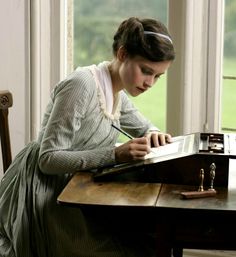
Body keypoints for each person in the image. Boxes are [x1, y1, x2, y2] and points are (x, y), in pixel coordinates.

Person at [0, 17, 175, 257]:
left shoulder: (117, 93)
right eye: (146, 71)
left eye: (157, 76)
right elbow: (48, 159)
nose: (150, 83)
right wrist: (115, 154)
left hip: (80, 189)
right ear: (123, 54)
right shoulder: (82, 85)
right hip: (46, 192)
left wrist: (155, 134)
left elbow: (146, 127)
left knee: (143, 238)